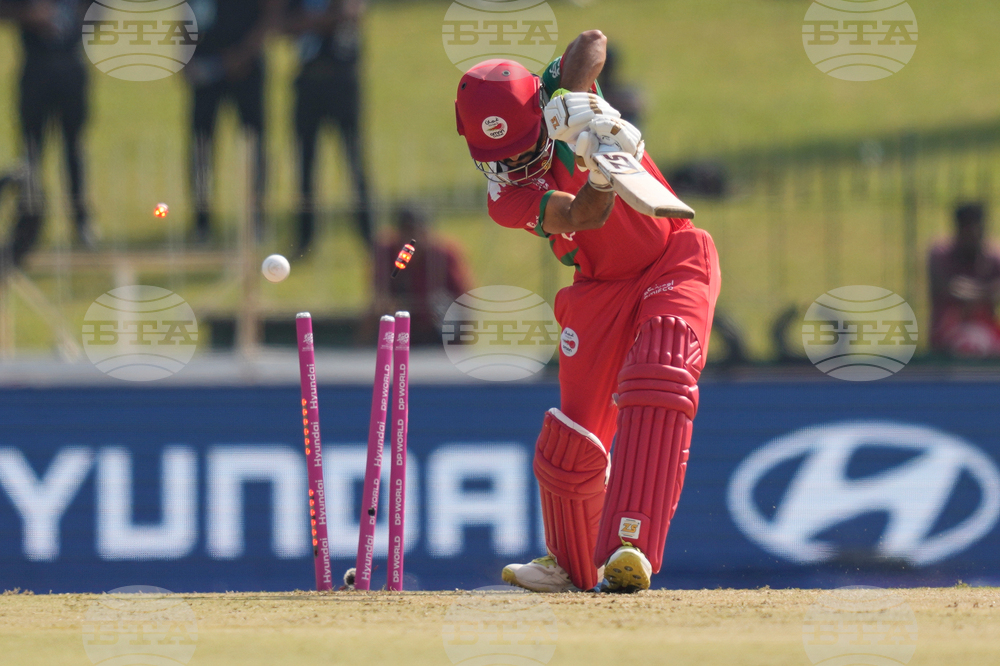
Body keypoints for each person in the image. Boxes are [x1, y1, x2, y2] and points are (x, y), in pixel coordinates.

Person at [454, 31, 720, 593]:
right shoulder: (505, 199)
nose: (514, 166)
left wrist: (573, 101)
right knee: (572, 439)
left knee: (659, 373)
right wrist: (600, 171)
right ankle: (570, 562)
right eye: (500, 160)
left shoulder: (552, 89)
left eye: (522, 151)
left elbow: (591, 42)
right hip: (597, 289)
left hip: (672, 256)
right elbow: (583, 217)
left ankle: (631, 546)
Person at [0, 0, 92, 266]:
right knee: (31, 152)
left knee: (74, 149)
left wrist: (79, 19)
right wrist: (29, 15)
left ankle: (81, 219)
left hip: (71, 69)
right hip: (36, 72)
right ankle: (26, 225)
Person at [185, 0, 285, 243]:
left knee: (254, 145)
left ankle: (256, 219)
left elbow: (271, 13)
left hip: (247, 68)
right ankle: (201, 223)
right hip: (205, 67)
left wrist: (245, 53)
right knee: (200, 145)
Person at [283, 0, 372, 255]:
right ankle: (305, 239)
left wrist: (310, 21)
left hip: (342, 81)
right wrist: (321, 20)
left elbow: (351, 12)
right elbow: (284, 25)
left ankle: (368, 236)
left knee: (355, 161)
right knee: (305, 163)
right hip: (307, 81)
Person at [369, 205, 472, 345]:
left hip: (437, 330)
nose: (412, 239)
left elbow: (464, 302)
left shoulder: (443, 256)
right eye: (406, 232)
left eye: (417, 232)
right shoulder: (387, 254)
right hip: (401, 328)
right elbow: (378, 300)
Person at [928, 203, 1000, 357]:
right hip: (947, 336)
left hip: (987, 335)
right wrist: (986, 292)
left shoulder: (993, 257)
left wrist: (967, 289)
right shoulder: (941, 254)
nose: (972, 235)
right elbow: (946, 289)